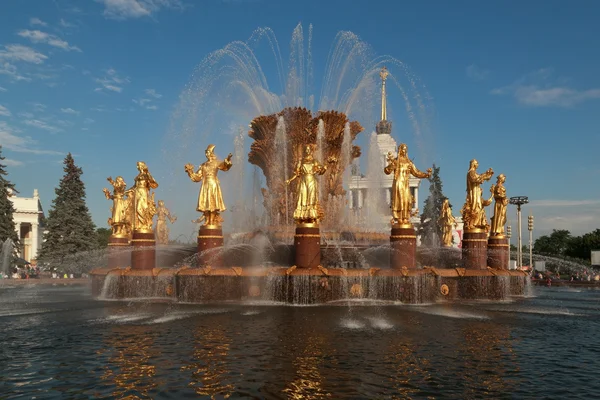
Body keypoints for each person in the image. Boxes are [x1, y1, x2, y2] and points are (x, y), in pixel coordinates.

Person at [384, 144, 432, 226]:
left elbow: (416, 172)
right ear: (399, 150)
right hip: (398, 183)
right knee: (399, 200)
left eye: (406, 149)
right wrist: (391, 165)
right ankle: (399, 218)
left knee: (407, 200)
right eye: (403, 149)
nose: (404, 151)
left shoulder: (409, 162)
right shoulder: (396, 161)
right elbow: (387, 171)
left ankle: (405, 217)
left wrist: (426, 175)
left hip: (405, 184)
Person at [185, 144, 232, 226]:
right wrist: (190, 172)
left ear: (211, 153)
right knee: (206, 203)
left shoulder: (216, 162)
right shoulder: (203, 165)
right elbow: (198, 177)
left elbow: (224, 166)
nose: (206, 154)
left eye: (208, 152)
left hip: (213, 184)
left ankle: (211, 221)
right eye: (206, 152)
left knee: (213, 203)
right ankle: (207, 220)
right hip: (205, 185)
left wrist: (228, 159)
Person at [286, 144, 327, 224]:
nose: (307, 151)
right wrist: (290, 180)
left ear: (311, 151)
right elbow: (297, 173)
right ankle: (302, 217)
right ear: (305, 151)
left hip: (311, 180)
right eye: (306, 149)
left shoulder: (314, 161)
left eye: (309, 149)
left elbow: (321, 172)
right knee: (302, 198)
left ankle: (312, 217)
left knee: (311, 198)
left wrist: (325, 167)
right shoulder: (301, 162)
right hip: (303, 180)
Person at [461, 159, 494, 231]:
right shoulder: (470, 172)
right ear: (473, 164)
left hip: (477, 194)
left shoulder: (474, 172)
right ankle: (472, 224)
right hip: (473, 194)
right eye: (477, 163)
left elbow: (480, 177)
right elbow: (475, 179)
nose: (478, 165)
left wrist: (488, 174)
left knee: (478, 208)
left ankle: (476, 224)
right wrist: (483, 176)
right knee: (475, 209)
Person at [127, 161, 159, 233]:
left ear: (142, 166)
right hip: (137, 192)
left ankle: (145, 225)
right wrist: (126, 191)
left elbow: (154, 184)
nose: (137, 167)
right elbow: (134, 187)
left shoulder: (146, 174)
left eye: (138, 165)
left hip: (143, 192)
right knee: (136, 209)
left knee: (140, 208)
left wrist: (148, 175)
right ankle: (138, 226)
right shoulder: (138, 176)